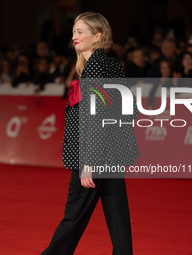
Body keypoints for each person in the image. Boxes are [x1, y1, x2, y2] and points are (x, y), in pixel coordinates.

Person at [41, 12, 140, 255]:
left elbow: (94, 118)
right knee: (118, 219)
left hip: (95, 156)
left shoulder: (95, 65)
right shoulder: (112, 63)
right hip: (113, 154)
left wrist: (89, 162)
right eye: (74, 31)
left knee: (73, 217)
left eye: (80, 31)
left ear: (97, 36)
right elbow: (129, 109)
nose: (74, 36)